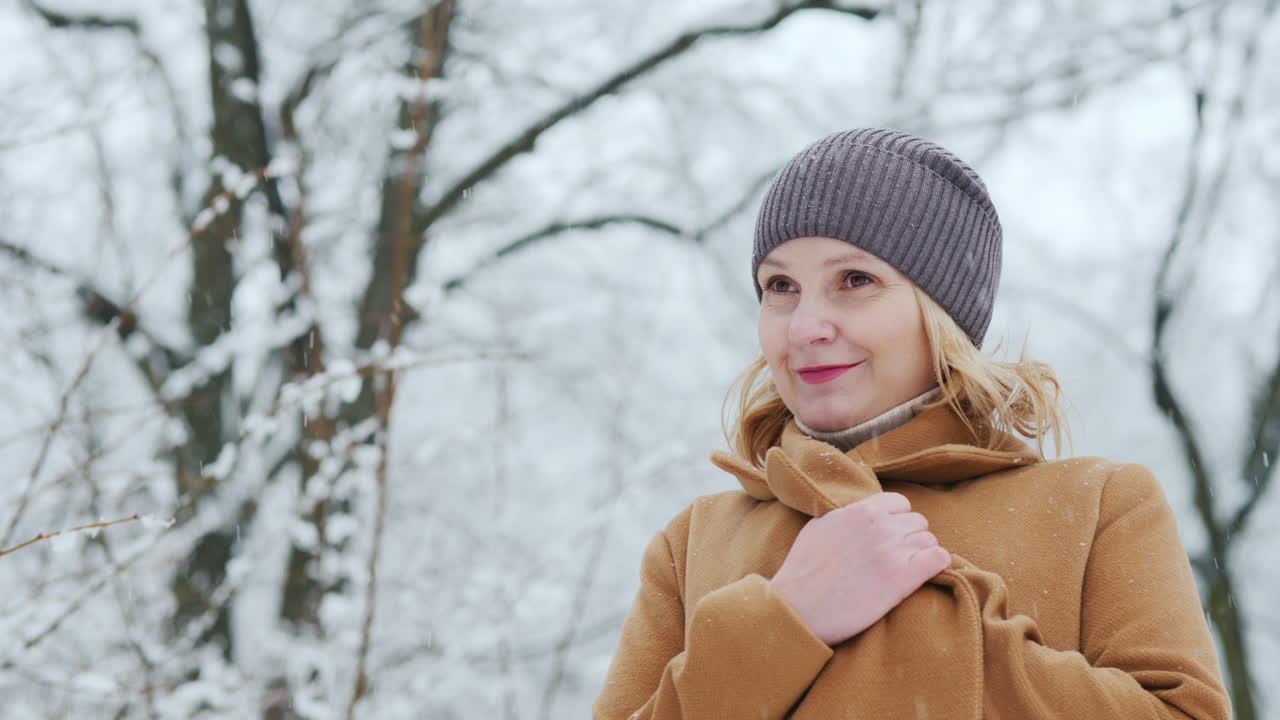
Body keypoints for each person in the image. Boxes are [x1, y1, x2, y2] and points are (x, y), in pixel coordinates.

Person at [593, 128, 1230, 719]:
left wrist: (924, 614)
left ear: (941, 314)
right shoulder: (693, 544)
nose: (805, 326)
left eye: (855, 279)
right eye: (779, 286)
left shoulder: (1098, 507)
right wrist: (784, 620)